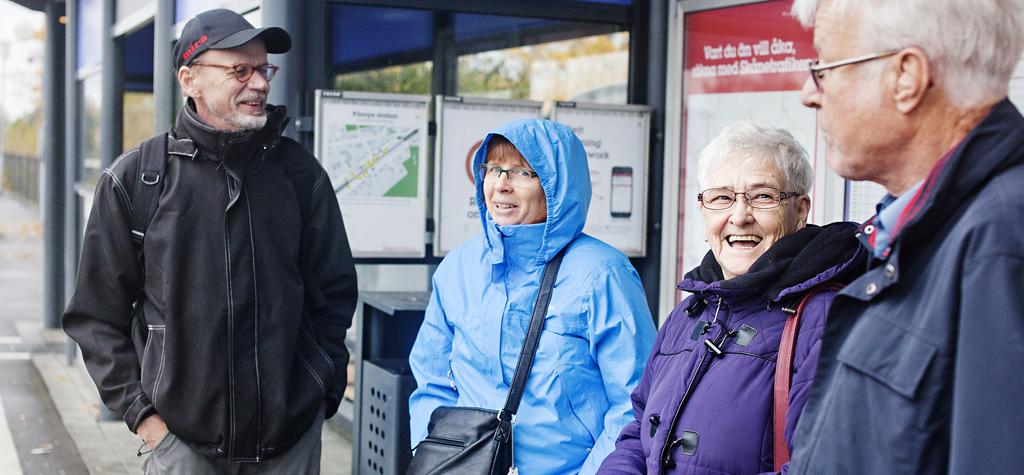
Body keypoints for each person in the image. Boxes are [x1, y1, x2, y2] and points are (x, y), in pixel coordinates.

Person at [63, 8, 358, 473]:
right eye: (240, 70)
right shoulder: (137, 179)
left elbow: (334, 294)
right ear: (189, 79)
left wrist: (317, 391)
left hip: (289, 443)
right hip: (182, 446)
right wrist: (147, 420)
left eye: (264, 69)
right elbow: (95, 318)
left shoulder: (301, 176)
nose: (259, 83)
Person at [786, 0, 1024, 473]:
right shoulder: (924, 230)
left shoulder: (1001, 243)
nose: (808, 94)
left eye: (824, 68)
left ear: (906, 77)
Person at [598, 122, 863, 474]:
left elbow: (819, 465)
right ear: (704, 209)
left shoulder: (823, 318)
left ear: (800, 211)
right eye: (722, 197)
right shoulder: (689, 313)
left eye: (763, 196)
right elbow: (637, 435)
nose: (739, 216)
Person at [408, 118, 656, 474]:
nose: (502, 185)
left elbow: (635, 403)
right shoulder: (459, 266)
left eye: (523, 173)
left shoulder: (603, 274)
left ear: (558, 186)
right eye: (494, 169)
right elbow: (430, 379)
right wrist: (436, 453)